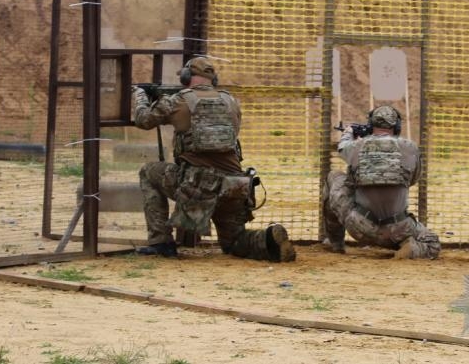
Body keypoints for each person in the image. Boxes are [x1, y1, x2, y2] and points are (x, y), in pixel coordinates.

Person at [131, 56, 295, 262]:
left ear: (186, 76)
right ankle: (268, 240)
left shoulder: (178, 101)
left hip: (198, 187)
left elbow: (143, 120)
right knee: (234, 242)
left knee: (148, 172)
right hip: (235, 186)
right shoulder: (230, 101)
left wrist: (141, 95)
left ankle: (161, 242)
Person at [321, 105, 441, 259]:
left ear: (371, 125)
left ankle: (335, 243)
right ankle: (411, 250)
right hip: (398, 231)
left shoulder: (358, 146)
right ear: (397, 126)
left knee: (333, 177)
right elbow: (413, 180)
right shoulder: (410, 148)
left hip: (360, 226)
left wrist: (348, 134)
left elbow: (342, 148)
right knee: (432, 244)